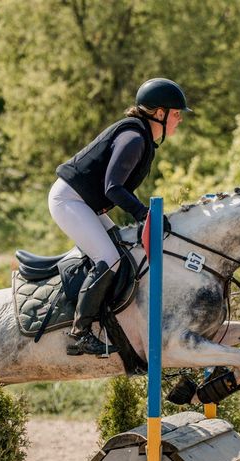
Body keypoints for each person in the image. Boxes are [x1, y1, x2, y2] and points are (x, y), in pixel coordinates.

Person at [50, 77, 191, 356]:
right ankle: (78, 334)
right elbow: (113, 188)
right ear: (159, 113)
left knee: (122, 254)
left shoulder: (140, 136)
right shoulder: (134, 138)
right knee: (110, 259)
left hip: (85, 203)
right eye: (176, 114)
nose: (179, 120)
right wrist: (144, 214)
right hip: (69, 200)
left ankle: (103, 317)